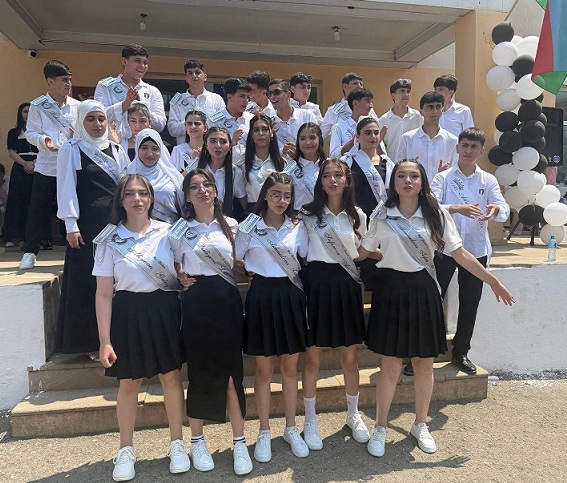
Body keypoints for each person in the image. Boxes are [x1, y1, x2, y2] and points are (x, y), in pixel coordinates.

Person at [358, 159, 514, 458]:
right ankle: (380, 426)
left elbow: (460, 254)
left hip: (423, 289)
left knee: (423, 364)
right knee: (390, 365)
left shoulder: (436, 213)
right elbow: (364, 251)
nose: (407, 181)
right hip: (390, 290)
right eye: (401, 176)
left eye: (413, 176)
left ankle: (420, 424)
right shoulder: (382, 213)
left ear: (422, 182)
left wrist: (493, 281)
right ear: (393, 182)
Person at [93, 174, 189, 482]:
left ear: (151, 198)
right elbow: (103, 293)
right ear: (120, 200)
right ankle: (126, 449)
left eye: (143, 193)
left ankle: (177, 443)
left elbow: (182, 267)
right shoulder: (109, 239)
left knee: (170, 377)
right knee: (130, 383)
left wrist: (183, 274)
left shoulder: (168, 232)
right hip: (128, 312)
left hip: (164, 309)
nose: (137, 199)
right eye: (130, 194)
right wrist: (105, 341)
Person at [168, 168, 253, 476]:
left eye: (207, 185)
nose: (202, 190)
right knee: (200, 371)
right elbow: (171, 264)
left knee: (232, 374)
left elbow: (243, 263)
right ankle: (197, 441)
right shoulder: (179, 228)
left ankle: (239, 442)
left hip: (227, 300)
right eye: (195, 187)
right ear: (187, 196)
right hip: (196, 302)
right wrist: (180, 275)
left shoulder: (232, 225)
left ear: (216, 191)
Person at [236, 172, 310, 462]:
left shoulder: (297, 226)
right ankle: (264, 430)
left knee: (290, 368)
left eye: (287, 195)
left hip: (290, 295)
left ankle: (291, 427)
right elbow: (236, 258)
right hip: (262, 296)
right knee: (264, 370)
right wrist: (248, 271)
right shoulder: (249, 226)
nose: (281, 200)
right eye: (276, 194)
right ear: (265, 195)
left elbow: (305, 256)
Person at [300, 158, 373, 451]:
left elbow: (363, 252)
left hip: (346, 284)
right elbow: (298, 250)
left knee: (350, 357)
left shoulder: (358, 216)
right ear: (320, 181)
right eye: (326, 176)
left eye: (338, 175)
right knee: (313, 357)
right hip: (316, 283)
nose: (332, 180)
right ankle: (310, 419)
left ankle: (353, 414)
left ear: (347, 180)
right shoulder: (307, 215)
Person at [430, 128, 510, 374]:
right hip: (444, 248)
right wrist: (456, 208)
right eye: (464, 145)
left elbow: (503, 207)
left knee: (470, 302)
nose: (468, 150)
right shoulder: (442, 178)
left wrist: (496, 210)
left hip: (475, 249)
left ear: (481, 151)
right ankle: (424, 352)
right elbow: (430, 206)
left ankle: (461, 352)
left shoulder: (488, 180)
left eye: (474, 147)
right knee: (432, 299)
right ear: (457, 148)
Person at [56, 100, 130, 356]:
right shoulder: (71, 149)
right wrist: (71, 224)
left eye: (101, 119)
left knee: (117, 279)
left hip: (115, 224)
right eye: (90, 119)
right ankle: (89, 342)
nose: (97, 124)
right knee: (89, 281)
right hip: (87, 227)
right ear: (81, 121)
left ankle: (116, 338)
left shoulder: (117, 149)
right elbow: (66, 187)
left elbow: (125, 186)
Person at [19, 60, 80, 270]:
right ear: (50, 82)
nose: (68, 84)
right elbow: (30, 133)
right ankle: (29, 251)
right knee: (38, 209)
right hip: (46, 166)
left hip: (71, 166)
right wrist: (44, 140)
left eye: (69, 79)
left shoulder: (77, 106)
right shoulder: (38, 105)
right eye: (64, 80)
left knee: (73, 208)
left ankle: (77, 252)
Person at [94, 44, 166, 134]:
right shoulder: (105, 86)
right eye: (137, 61)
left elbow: (160, 125)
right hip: (114, 141)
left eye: (145, 63)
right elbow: (98, 116)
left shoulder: (152, 91)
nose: (142, 66)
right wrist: (124, 105)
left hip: (141, 142)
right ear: (124, 61)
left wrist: (141, 107)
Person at [396, 91, 458, 184]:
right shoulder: (408, 138)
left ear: (442, 110)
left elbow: (455, 172)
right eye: (430, 107)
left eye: (438, 107)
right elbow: (398, 169)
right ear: (421, 111)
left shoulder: (452, 140)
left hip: (441, 190)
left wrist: (444, 174)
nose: (435, 111)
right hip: (414, 189)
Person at [125, 129, 184, 224]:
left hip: (170, 227)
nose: (150, 153)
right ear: (137, 148)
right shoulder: (128, 174)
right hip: (138, 227)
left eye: (155, 149)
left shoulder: (172, 174)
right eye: (144, 148)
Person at [167, 59, 225, 146]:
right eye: (190, 73)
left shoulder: (216, 99)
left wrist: (202, 122)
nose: (194, 76)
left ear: (205, 77)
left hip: (211, 149)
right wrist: (190, 123)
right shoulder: (177, 101)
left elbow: (223, 125)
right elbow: (172, 130)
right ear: (186, 78)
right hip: (185, 150)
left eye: (197, 72)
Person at [4, 103, 38, 247]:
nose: (27, 114)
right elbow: (11, 152)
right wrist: (25, 164)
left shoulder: (39, 132)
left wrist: (34, 164)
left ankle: (31, 237)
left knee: (33, 202)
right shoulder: (14, 132)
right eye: (25, 111)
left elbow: (44, 151)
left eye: (30, 112)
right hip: (20, 169)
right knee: (17, 201)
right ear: (20, 113)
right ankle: (13, 236)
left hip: (37, 167)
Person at [241, 114, 285, 218]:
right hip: (252, 215)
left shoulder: (282, 163)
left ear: (271, 133)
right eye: (256, 130)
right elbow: (241, 196)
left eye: (265, 129)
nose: (260, 133)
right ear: (251, 135)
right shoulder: (242, 163)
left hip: (277, 215)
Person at [197, 126, 246, 217]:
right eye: (213, 141)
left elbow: (244, 202)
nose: (218, 146)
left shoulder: (236, 172)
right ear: (206, 145)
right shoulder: (196, 167)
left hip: (224, 219)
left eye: (223, 142)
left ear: (230, 146)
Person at [208, 78, 254, 165]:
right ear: (229, 97)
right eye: (242, 96)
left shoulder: (252, 119)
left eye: (248, 97)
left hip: (250, 167)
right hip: (224, 167)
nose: (246, 101)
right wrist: (230, 144)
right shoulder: (214, 120)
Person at [268, 79, 317, 160]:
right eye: (269, 94)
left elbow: (316, 143)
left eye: (277, 92)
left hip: (306, 165)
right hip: (281, 167)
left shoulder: (307, 116)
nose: (272, 96)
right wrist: (282, 151)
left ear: (288, 95)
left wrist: (299, 154)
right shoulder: (269, 123)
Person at [320, 72, 377, 140]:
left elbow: (377, 127)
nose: (359, 86)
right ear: (345, 86)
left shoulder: (368, 108)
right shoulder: (334, 110)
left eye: (361, 84)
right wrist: (336, 137)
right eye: (355, 83)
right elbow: (322, 135)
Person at [378, 79, 422, 161]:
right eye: (402, 91)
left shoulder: (417, 117)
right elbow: (380, 144)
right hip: (392, 164)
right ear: (393, 96)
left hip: (413, 163)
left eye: (408, 91)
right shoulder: (383, 120)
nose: (406, 94)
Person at [287, 122, 325, 211]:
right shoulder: (291, 167)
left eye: (312, 138)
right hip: (298, 217)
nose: (307, 143)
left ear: (319, 140)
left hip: (325, 216)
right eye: (303, 138)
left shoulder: (328, 165)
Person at [330, 88, 374, 158]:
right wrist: (354, 140)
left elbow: (381, 154)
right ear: (355, 103)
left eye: (371, 102)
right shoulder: (339, 127)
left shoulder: (373, 128)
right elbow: (333, 155)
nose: (371, 106)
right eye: (368, 101)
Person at [170, 110, 207, 175]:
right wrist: (195, 162)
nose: (193, 126)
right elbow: (176, 178)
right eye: (189, 124)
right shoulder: (178, 150)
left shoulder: (211, 149)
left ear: (205, 127)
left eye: (197, 124)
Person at [0, 164, 8, 236]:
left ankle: (5, 233)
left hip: (5, 206)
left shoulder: (9, 181)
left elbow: (8, 201)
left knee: (3, 210)